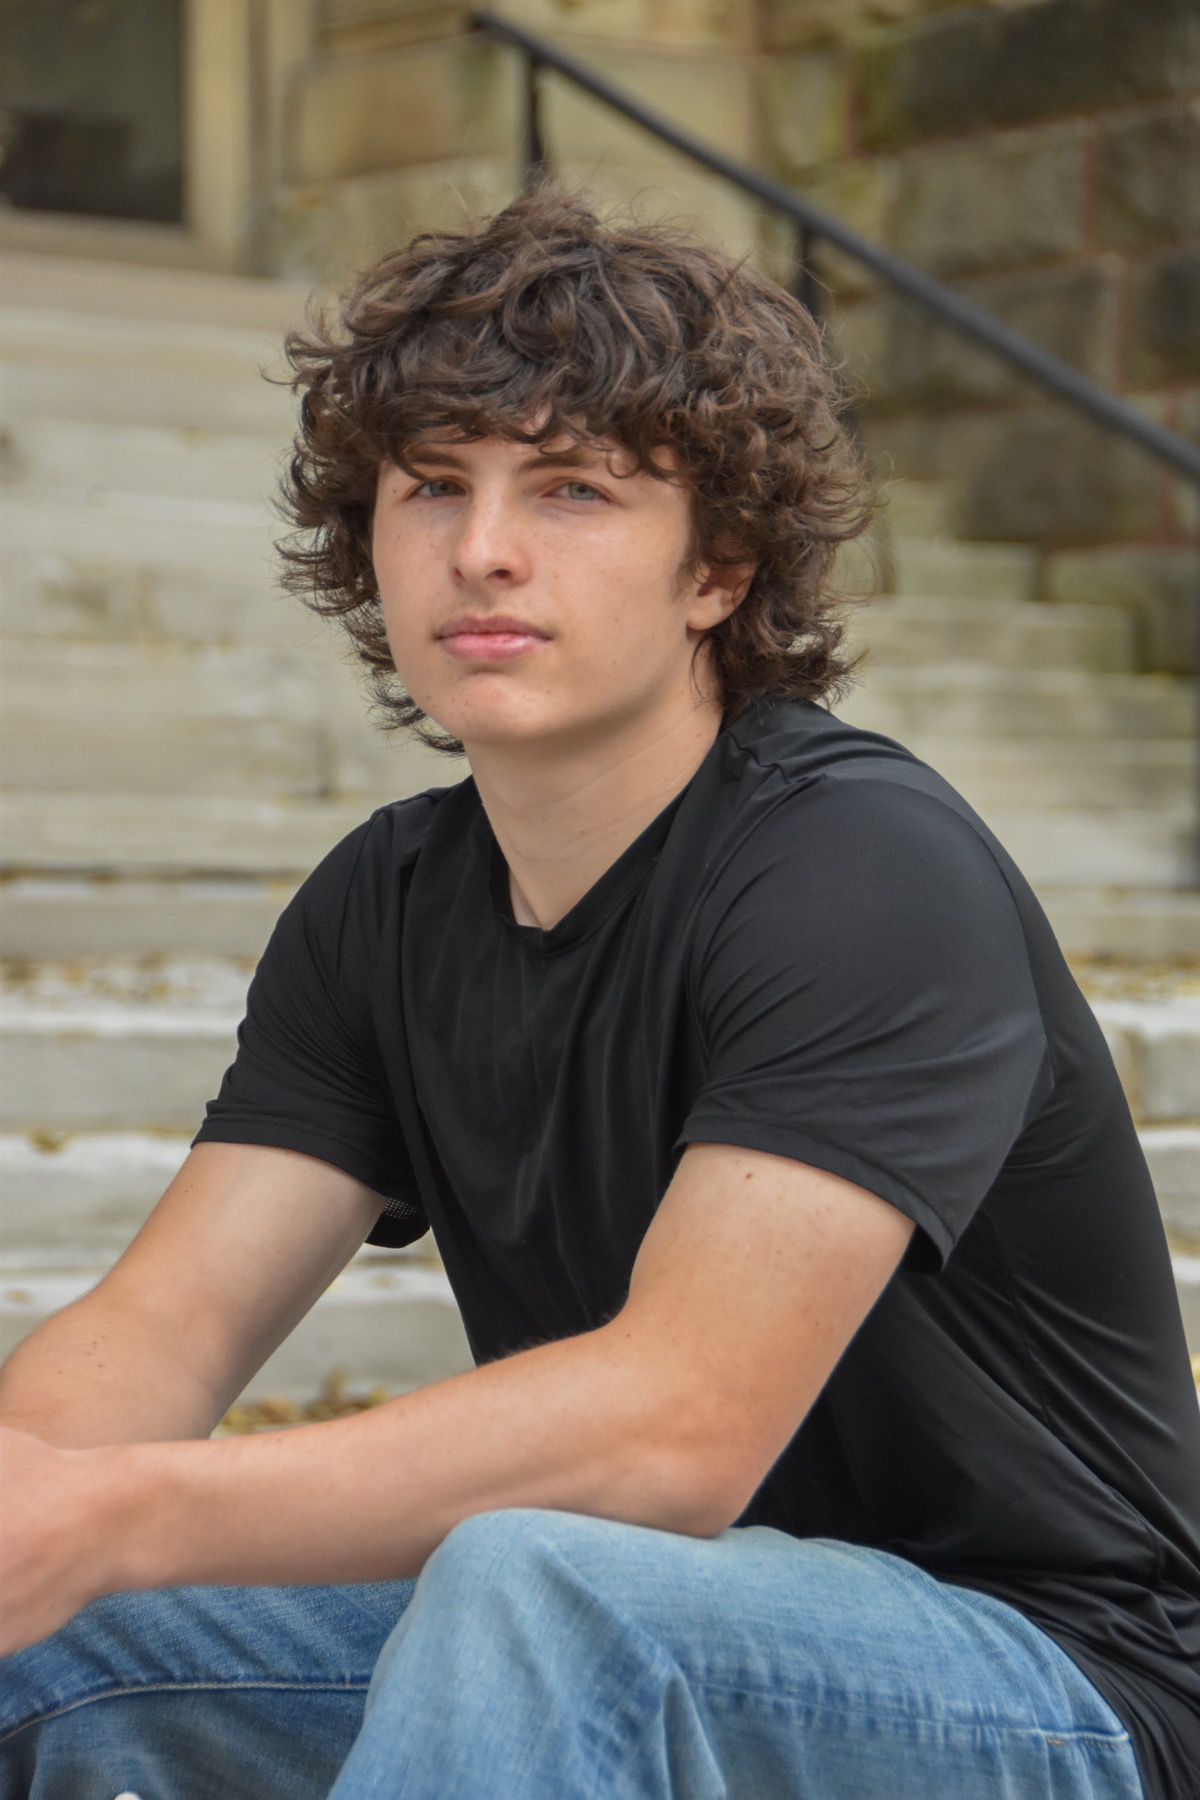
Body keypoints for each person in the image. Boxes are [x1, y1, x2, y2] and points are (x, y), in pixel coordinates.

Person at [0, 190, 1196, 1800]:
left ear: (718, 568)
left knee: (542, 1582)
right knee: (67, 1633)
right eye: (432, 486)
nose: (481, 548)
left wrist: (132, 1513)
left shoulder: (864, 868)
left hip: (1044, 1676)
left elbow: (674, 1431)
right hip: (621, 1639)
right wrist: (35, 1507)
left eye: (569, 489)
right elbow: (166, 1327)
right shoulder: (389, 903)